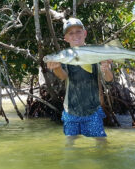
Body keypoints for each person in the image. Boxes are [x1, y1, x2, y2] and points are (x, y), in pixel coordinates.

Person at [46, 18, 113, 146]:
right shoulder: (65, 55)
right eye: (71, 33)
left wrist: (106, 69)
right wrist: (57, 67)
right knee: (70, 145)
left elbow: (109, 79)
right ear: (66, 38)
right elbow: (63, 76)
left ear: (85, 33)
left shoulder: (96, 52)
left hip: (93, 110)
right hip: (71, 110)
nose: (75, 35)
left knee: (101, 144)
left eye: (78, 31)